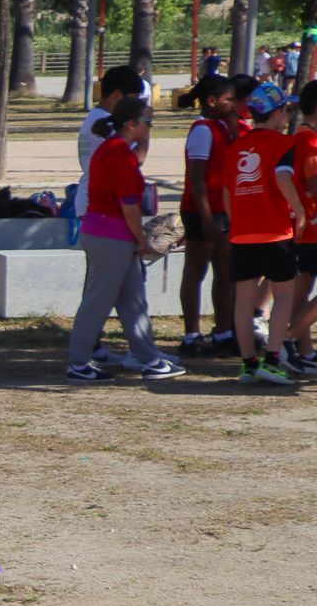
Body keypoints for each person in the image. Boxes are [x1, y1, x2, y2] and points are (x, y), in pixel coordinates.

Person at [65, 98, 184, 382]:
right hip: (111, 236)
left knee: (133, 301)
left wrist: (146, 134)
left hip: (110, 234)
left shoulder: (117, 150)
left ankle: (149, 359)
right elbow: (129, 207)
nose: (151, 127)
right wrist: (141, 238)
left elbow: (138, 158)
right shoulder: (119, 154)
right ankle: (78, 363)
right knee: (97, 303)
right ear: (132, 124)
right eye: (149, 122)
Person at [220, 83, 304, 385]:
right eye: (286, 110)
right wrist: (300, 212)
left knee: (243, 300)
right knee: (283, 296)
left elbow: (228, 194)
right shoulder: (283, 144)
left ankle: (247, 364)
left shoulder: (236, 146)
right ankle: (272, 359)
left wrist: (238, 222)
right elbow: (283, 179)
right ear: (278, 112)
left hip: (242, 234)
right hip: (275, 230)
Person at [175, 74, 237, 356]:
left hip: (223, 210)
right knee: (195, 272)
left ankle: (223, 331)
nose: (233, 104)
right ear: (212, 102)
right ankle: (191, 335)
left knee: (225, 273)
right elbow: (196, 178)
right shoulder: (202, 130)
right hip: (201, 211)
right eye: (228, 99)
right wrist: (207, 217)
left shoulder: (222, 126)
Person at [284, 81, 317, 372]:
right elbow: (313, 184)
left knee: (301, 289)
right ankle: (287, 339)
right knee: (302, 290)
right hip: (313, 226)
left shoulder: (300, 137)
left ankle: (303, 352)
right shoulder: (309, 141)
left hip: (306, 227)